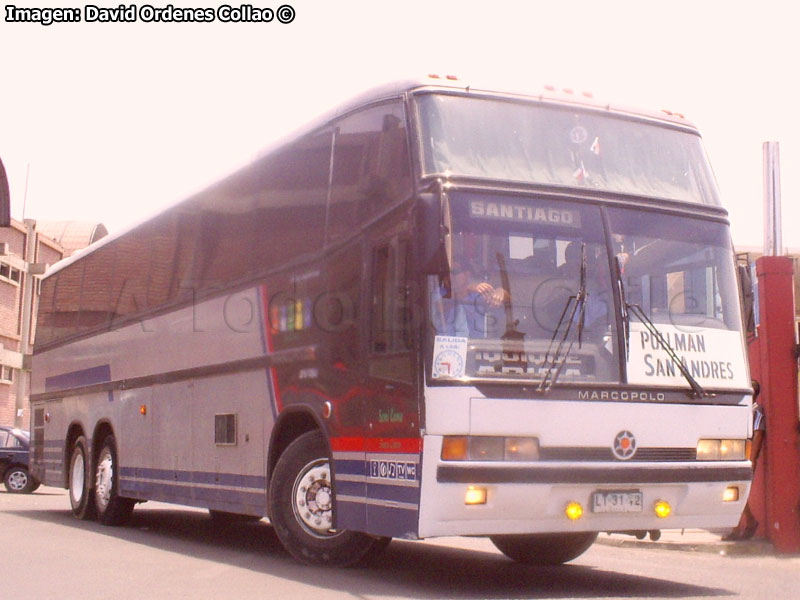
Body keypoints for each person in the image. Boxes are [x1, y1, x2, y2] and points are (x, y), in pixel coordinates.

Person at [724, 380, 765, 541]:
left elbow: (758, 435)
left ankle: (746, 524)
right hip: (736, 455)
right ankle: (744, 523)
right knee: (734, 491)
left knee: (739, 492)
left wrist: (751, 461)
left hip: (746, 458)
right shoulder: (742, 411)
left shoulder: (757, 412)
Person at [439, 261, 507, 338]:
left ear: (467, 274)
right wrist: (469, 287)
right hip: (445, 346)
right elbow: (440, 306)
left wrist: (500, 292)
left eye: (455, 272)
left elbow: (508, 301)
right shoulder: (440, 293)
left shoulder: (477, 296)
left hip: (476, 346)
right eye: (447, 273)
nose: (450, 276)